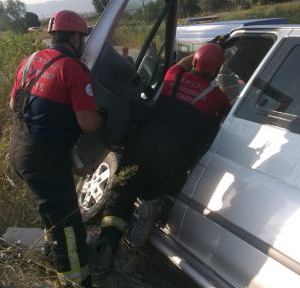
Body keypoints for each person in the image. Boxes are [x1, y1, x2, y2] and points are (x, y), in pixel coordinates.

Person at [95, 43, 230, 274]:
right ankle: (157, 205)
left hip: (142, 144)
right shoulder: (217, 97)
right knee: (173, 189)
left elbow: (181, 64)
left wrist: (199, 54)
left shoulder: (173, 75)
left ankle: (106, 245)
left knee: (121, 195)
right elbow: (226, 112)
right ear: (216, 71)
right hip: (174, 155)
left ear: (195, 61)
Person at [9, 10, 105, 288]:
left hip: (19, 150)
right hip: (45, 160)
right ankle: (76, 279)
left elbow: (13, 106)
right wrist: (103, 116)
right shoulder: (74, 69)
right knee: (69, 223)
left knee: (50, 210)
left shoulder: (30, 61)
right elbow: (88, 123)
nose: (84, 43)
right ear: (75, 37)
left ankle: (55, 255)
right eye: (83, 37)